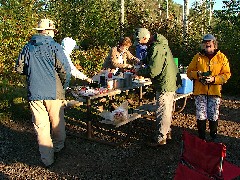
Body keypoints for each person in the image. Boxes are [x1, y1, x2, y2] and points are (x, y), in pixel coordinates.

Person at [15, 18, 71, 167]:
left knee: (41, 127)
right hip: (54, 92)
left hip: (34, 92)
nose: (53, 33)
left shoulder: (27, 48)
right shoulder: (55, 47)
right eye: (52, 31)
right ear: (47, 31)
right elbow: (65, 70)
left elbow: (19, 69)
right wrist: (64, 87)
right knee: (57, 123)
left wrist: (33, 73)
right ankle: (59, 148)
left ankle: (47, 160)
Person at [187, 34, 231, 141]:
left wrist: (214, 79)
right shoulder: (197, 57)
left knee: (213, 114)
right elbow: (189, 72)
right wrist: (197, 75)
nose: (208, 47)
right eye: (205, 45)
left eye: (209, 45)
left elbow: (227, 74)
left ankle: (213, 136)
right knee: (201, 115)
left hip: (214, 91)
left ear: (214, 44)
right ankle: (201, 138)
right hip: (200, 90)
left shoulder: (221, 57)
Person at [137, 33, 179, 146]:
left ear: (145, 38)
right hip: (170, 82)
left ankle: (160, 138)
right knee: (167, 109)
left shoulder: (156, 47)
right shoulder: (160, 44)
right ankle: (167, 132)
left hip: (165, 84)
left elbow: (153, 71)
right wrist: (143, 61)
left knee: (162, 110)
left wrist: (138, 72)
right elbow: (154, 58)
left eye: (140, 41)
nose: (140, 44)